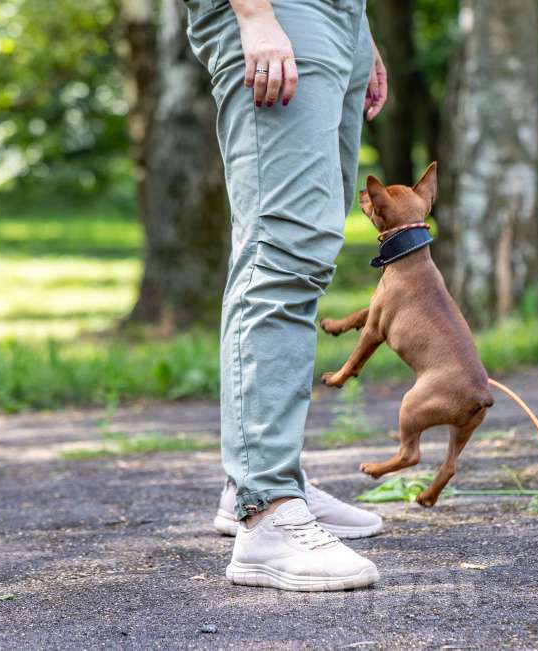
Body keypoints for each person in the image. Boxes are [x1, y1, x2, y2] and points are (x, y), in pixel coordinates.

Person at [184, 0, 388, 591]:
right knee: (283, 248)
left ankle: (261, 477)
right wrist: (252, 11)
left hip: (338, 17)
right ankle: (266, 510)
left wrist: (359, 29)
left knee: (305, 242)